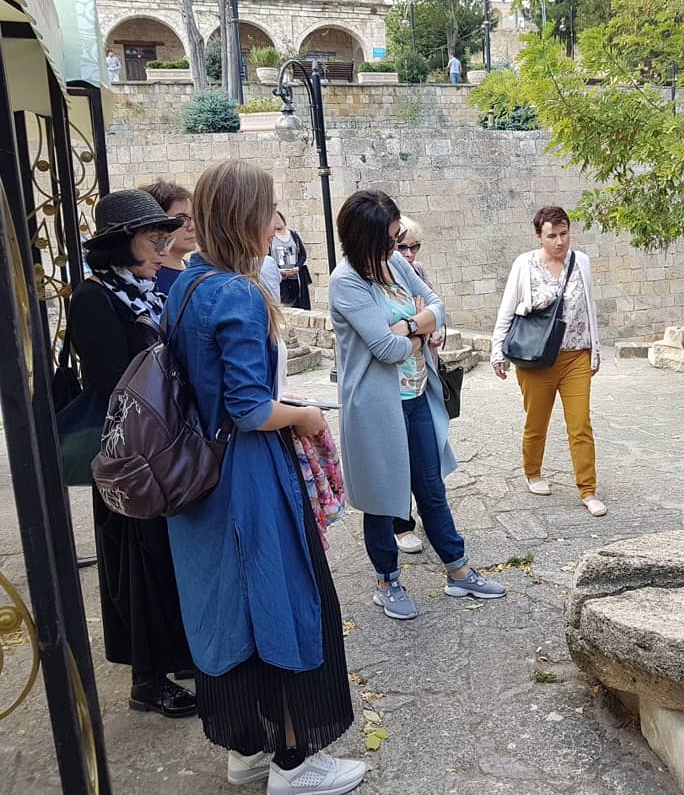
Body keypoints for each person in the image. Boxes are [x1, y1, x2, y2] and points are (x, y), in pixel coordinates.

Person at [166, 160, 365, 793]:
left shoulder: (187, 284)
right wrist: (307, 415)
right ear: (247, 217)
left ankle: (245, 749)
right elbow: (252, 408)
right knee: (281, 606)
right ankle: (293, 763)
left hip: (197, 477)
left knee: (228, 613)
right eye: (269, 209)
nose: (276, 221)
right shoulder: (240, 293)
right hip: (247, 477)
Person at [329, 189, 506, 620]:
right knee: (382, 499)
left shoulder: (394, 266)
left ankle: (458, 570)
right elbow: (386, 350)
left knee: (431, 489)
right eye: (389, 239)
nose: (397, 248)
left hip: (416, 397)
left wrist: (410, 327)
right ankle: (386, 581)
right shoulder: (346, 282)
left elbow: (439, 308)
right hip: (374, 409)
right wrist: (418, 327)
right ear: (364, 239)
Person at [68, 189, 196, 718]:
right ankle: (148, 677)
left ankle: (175, 653)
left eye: (164, 236)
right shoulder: (94, 297)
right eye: (153, 238)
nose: (163, 247)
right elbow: (109, 381)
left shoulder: (146, 289)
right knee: (135, 560)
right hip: (128, 457)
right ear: (122, 244)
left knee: (161, 555)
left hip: (160, 448)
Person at [490, 206, 606, 517]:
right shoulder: (525, 265)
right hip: (536, 358)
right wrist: (497, 350)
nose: (559, 241)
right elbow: (508, 308)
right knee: (536, 422)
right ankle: (533, 472)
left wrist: (595, 348)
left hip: (575, 355)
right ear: (539, 236)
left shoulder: (580, 262)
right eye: (551, 236)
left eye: (564, 234)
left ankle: (587, 489)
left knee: (580, 424)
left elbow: (589, 307)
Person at [390, 214, 440, 554]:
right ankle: (400, 523)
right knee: (396, 458)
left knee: (427, 454)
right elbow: (386, 338)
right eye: (402, 246)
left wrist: (427, 330)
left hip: (421, 376)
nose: (409, 253)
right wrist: (417, 326)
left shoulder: (416, 272)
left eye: (414, 246)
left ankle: (429, 513)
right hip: (393, 383)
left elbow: (436, 311)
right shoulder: (378, 277)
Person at [141, 180, 198, 296]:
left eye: (194, 218)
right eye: (181, 219)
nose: (192, 227)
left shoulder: (193, 270)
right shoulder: (150, 279)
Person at [270, 210, 313, 309]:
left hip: (296, 278)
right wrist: (279, 271)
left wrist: (298, 267)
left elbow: (302, 254)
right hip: (281, 279)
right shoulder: (270, 238)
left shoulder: (293, 235)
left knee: (300, 305)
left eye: (278, 218)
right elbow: (267, 258)